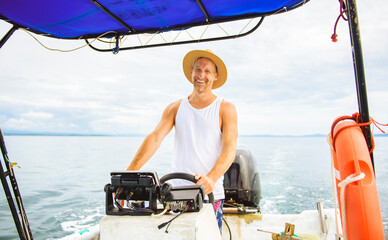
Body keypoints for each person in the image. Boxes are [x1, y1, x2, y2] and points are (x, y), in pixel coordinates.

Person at [126, 49, 238, 233]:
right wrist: (130, 172)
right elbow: (155, 138)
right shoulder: (174, 108)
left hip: (210, 194)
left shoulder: (226, 108)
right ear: (191, 73)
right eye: (198, 70)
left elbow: (230, 147)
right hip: (176, 195)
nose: (202, 75)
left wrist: (212, 178)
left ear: (215, 76)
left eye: (207, 71)